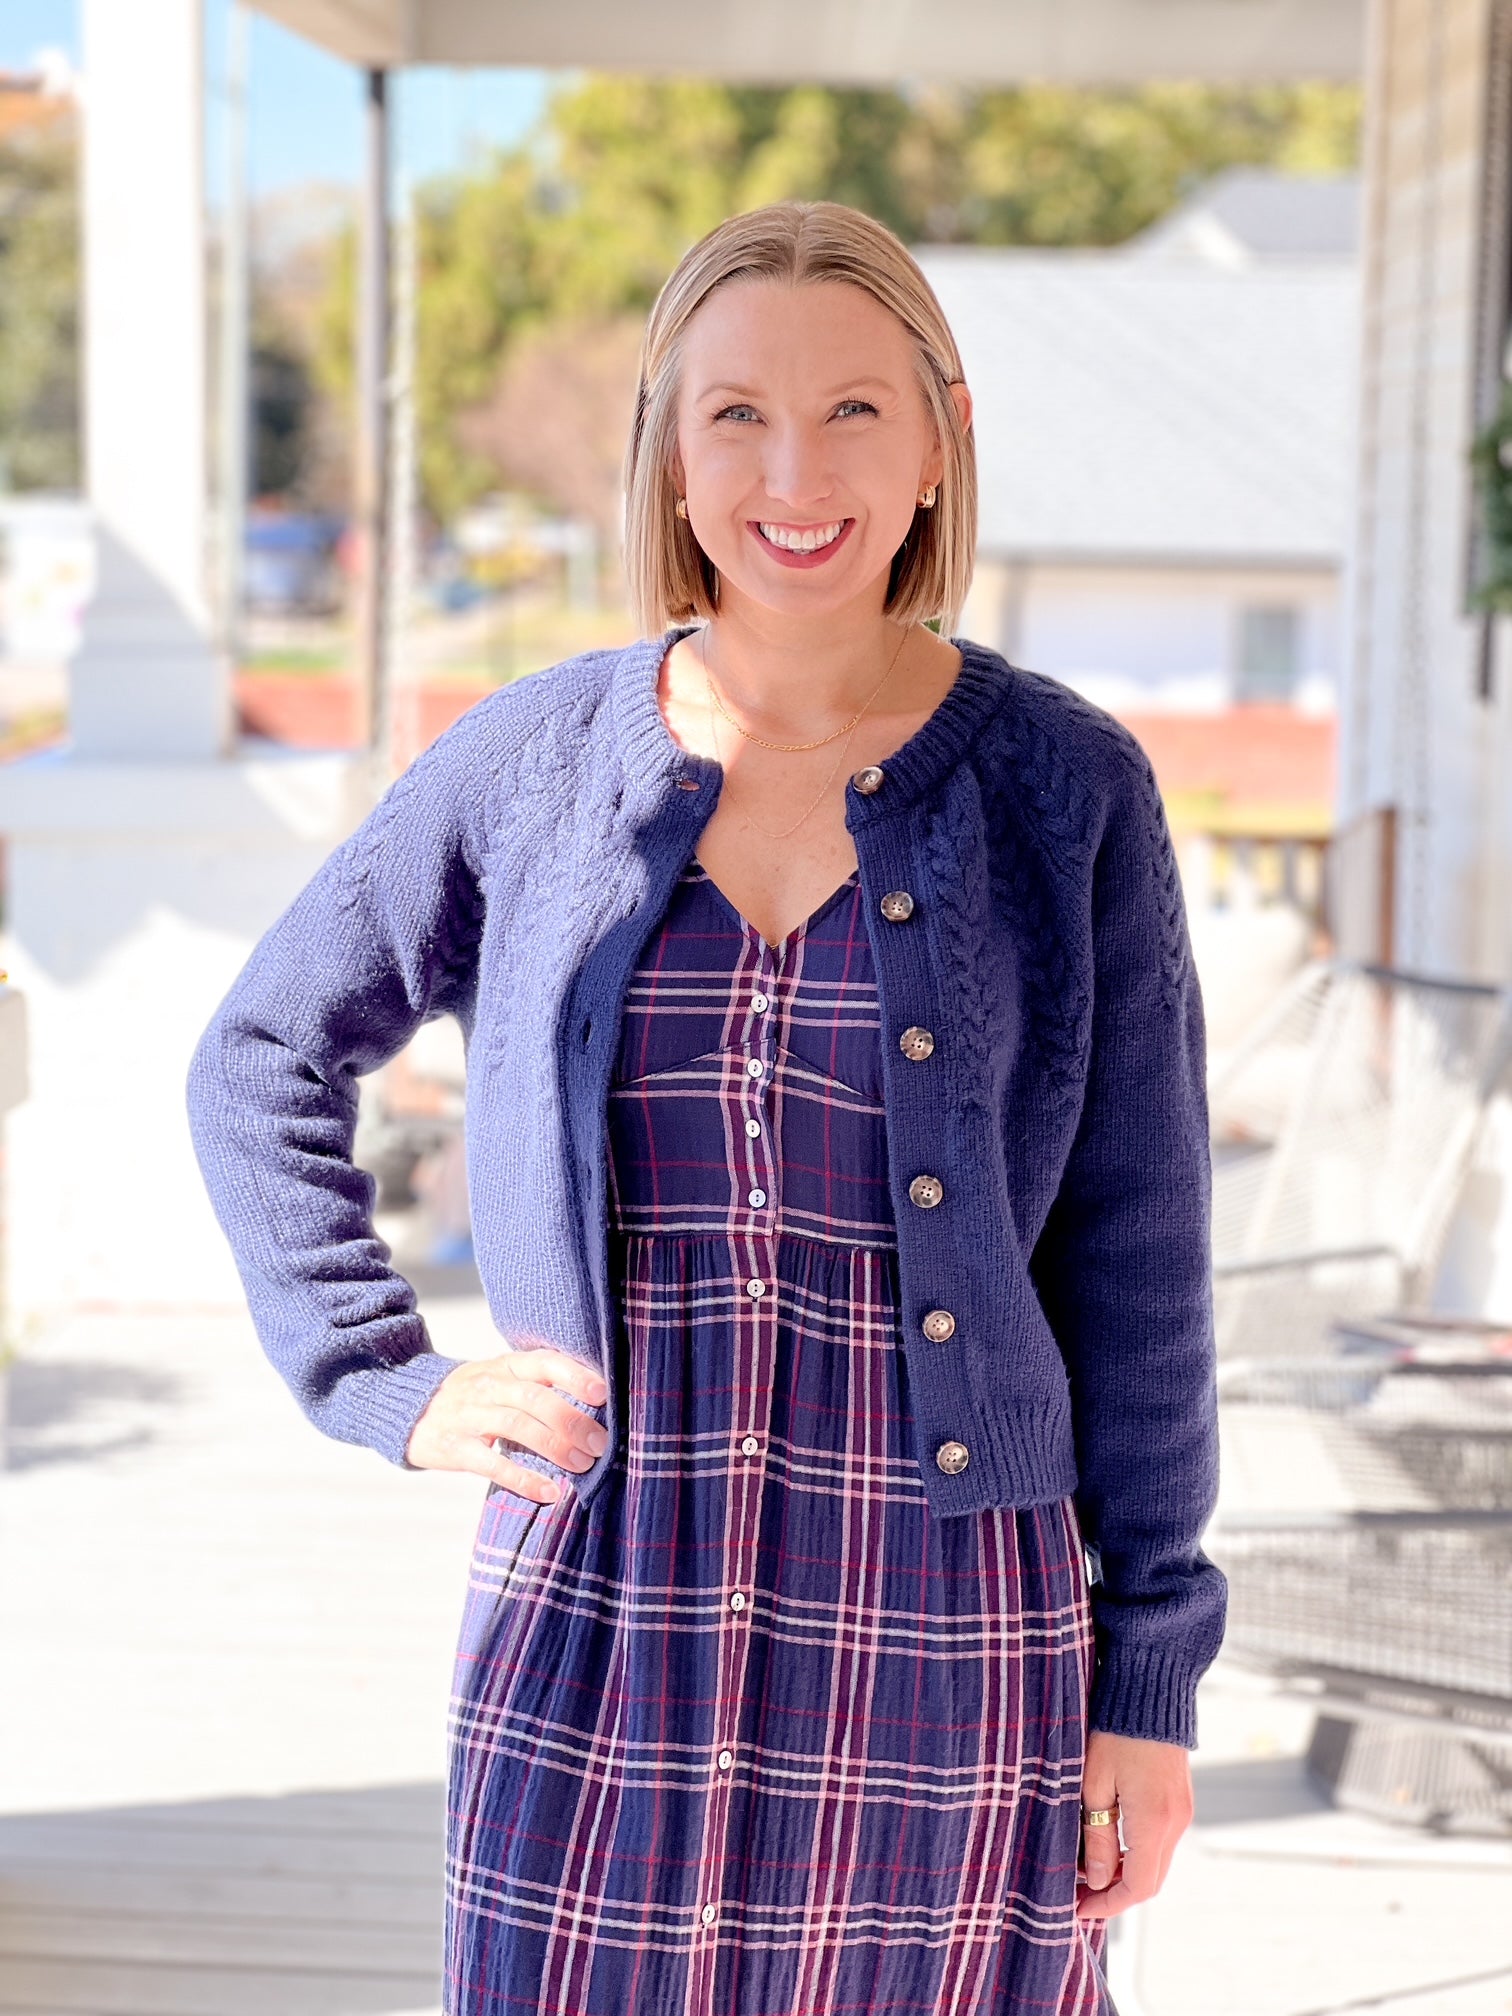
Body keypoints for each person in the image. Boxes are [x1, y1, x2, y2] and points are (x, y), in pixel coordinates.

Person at [187, 198, 1226, 2015]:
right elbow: (261, 1055)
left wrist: (1146, 1686)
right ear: (670, 445)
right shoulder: (536, 762)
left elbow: (1142, 1257)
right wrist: (385, 1377)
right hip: (593, 1583)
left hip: (946, 1615)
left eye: (853, 413)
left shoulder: (1066, 789)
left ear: (937, 446)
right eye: (736, 412)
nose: (792, 470)